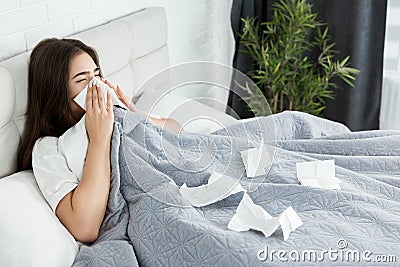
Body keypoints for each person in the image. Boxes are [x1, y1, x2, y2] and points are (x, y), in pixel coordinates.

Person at [17, 38, 182, 243]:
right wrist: (99, 140)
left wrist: (134, 113)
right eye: (82, 80)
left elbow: (179, 134)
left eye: (96, 75)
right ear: (56, 91)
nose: (96, 85)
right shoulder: (48, 148)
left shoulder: (115, 114)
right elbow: (85, 227)